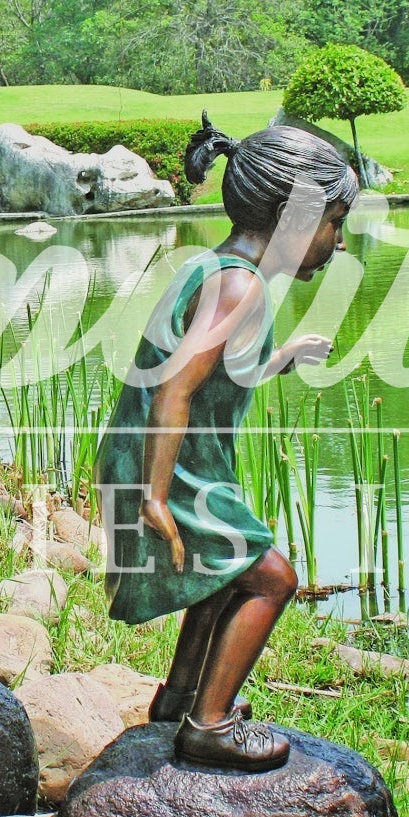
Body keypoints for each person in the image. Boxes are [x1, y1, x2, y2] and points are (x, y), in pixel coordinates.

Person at [96, 115, 356, 772]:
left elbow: (215, 376)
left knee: (222, 576)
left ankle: (179, 699)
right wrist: (155, 497)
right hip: (169, 469)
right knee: (271, 579)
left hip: (173, 460)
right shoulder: (238, 285)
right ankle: (208, 724)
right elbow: (176, 389)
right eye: (334, 222)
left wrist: (281, 357)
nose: (338, 241)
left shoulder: (220, 269)